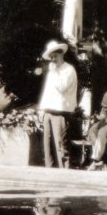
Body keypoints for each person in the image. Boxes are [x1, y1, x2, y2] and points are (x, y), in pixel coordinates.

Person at [38, 39, 78, 169]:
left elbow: (61, 87)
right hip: (49, 111)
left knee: (61, 148)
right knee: (47, 147)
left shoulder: (69, 70)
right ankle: (49, 174)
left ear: (61, 54)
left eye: (55, 56)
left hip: (61, 113)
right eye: (51, 57)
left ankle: (65, 173)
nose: (53, 60)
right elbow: (48, 92)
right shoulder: (53, 71)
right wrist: (42, 110)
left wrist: (53, 71)